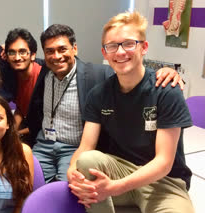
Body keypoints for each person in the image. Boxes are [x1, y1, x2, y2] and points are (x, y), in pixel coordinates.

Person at [67, 11, 194, 213]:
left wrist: (116, 187)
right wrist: (72, 170)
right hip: (120, 169)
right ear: (104, 53)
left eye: (128, 43)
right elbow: (85, 147)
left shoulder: (166, 90)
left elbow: (164, 162)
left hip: (164, 183)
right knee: (87, 161)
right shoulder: (98, 95)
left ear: (143, 47)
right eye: (112, 46)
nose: (120, 52)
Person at [26, 24, 183, 183]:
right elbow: (19, 61)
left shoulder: (97, 74)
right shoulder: (44, 71)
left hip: (74, 149)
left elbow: (127, 69)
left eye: (62, 49)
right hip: (44, 145)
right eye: (49, 51)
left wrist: (166, 72)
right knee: (22, 182)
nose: (56, 56)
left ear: (75, 49)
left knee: (66, 191)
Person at [4, 28, 43, 144]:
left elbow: (43, 122)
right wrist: (10, 131)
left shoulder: (42, 77)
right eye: (12, 52)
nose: (17, 58)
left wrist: (17, 133)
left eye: (22, 52)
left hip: (43, 135)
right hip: (28, 127)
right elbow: (21, 109)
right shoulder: (13, 77)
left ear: (32, 55)